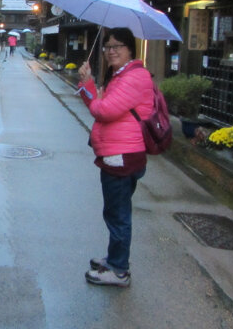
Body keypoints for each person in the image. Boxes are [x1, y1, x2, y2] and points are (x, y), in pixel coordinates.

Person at [76, 27, 153, 288]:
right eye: (108, 46)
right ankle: (114, 259)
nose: (111, 51)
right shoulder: (121, 76)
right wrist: (93, 89)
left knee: (118, 214)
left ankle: (119, 270)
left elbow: (104, 111)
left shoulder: (134, 77)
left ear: (130, 49)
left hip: (121, 156)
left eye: (117, 46)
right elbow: (102, 107)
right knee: (115, 211)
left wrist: (87, 87)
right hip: (117, 154)